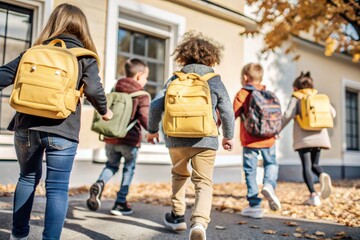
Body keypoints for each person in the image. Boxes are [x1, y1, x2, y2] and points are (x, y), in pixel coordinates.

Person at [0, 4, 112, 240]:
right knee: (57, 187)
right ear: (82, 28)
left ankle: (18, 235)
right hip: (62, 129)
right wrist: (105, 111)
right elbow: (94, 89)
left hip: (26, 127)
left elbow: (3, 76)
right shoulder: (83, 57)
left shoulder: (34, 52)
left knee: (27, 178)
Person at [146, 31, 234, 240]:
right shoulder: (214, 80)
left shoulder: (175, 79)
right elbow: (228, 110)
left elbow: (155, 106)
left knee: (179, 175)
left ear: (183, 56)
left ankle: (177, 217)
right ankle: (199, 224)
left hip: (175, 138)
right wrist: (228, 136)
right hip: (206, 138)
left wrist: (152, 131)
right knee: (203, 182)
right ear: (212, 57)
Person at [86, 58, 150, 215]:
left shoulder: (116, 88)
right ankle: (120, 202)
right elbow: (145, 118)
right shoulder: (142, 95)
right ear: (139, 75)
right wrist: (152, 130)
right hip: (130, 140)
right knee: (129, 169)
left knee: (111, 165)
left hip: (111, 137)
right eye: (146, 77)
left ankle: (100, 183)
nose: (146, 81)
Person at [233, 63, 281, 219]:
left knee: (250, 171)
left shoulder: (242, 94)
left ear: (245, 78)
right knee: (271, 163)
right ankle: (269, 185)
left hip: (250, 140)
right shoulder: (268, 94)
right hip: (269, 138)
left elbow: (231, 114)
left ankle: (254, 205)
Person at [281, 71, 335, 206]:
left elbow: (288, 115)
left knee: (306, 166)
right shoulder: (317, 96)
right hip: (320, 136)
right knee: (315, 164)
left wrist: (276, 130)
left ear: (295, 88)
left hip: (303, 138)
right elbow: (332, 113)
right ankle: (322, 174)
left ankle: (313, 195)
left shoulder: (296, 97)